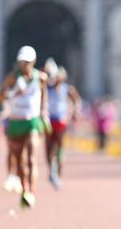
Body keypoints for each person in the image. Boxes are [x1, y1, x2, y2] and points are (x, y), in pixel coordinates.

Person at [0, 45, 48, 208]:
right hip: (15, 122)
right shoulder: (13, 77)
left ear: (33, 61)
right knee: (19, 161)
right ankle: (24, 188)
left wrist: (43, 110)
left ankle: (31, 193)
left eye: (27, 62)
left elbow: (44, 93)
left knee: (32, 158)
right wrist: (13, 94)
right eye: (21, 62)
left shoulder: (40, 77)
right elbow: (1, 95)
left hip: (32, 120)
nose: (24, 65)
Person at [44, 58, 82, 189]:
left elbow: (77, 100)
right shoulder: (47, 87)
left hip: (60, 120)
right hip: (49, 120)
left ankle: (58, 174)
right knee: (48, 148)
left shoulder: (67, 89)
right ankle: (52, 170)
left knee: (59, 146)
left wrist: (75, 112)